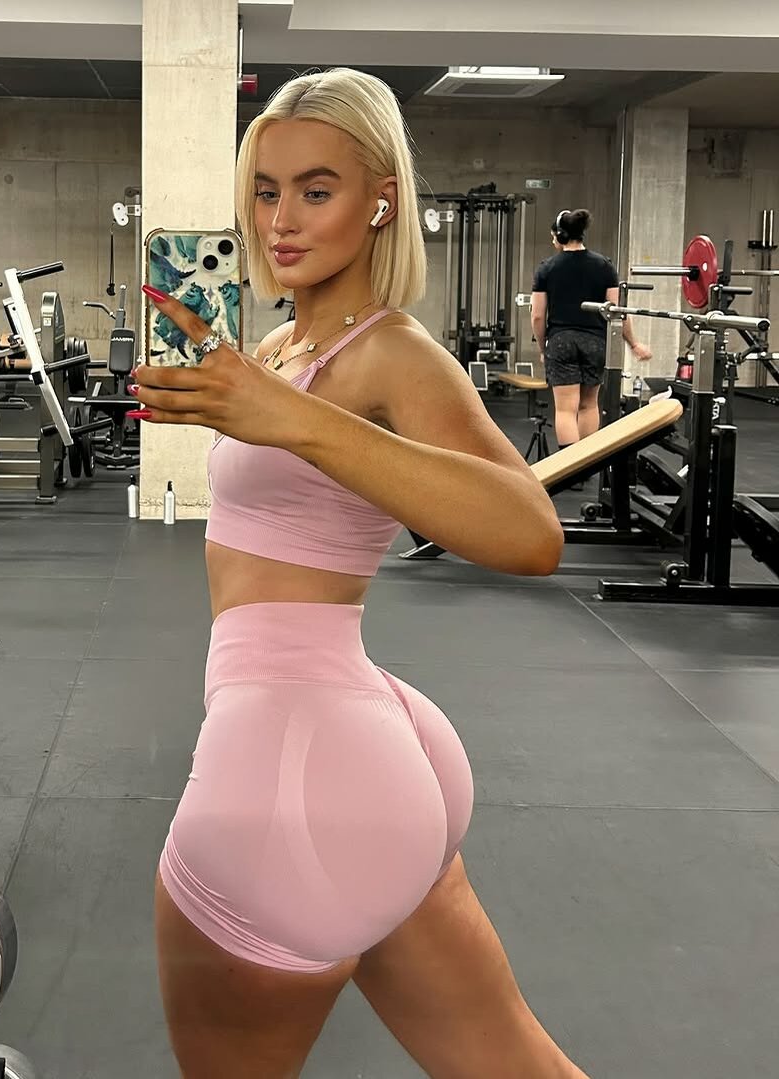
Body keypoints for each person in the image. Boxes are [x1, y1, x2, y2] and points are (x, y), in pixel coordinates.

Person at [130, 68, 589, 1079]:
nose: (281, 220)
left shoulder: (393, 354)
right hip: (358, 752)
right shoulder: (282, 343)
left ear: (382, 200)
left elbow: (531, 532)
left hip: (295, 758)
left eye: (316, 189)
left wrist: (289, 419)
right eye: (266, 190)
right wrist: (234, 403)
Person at [531, 209, 652, 450]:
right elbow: (617, 311)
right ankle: (587, 463)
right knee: (588, 405)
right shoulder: (604, 266)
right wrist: (634, 343)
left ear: (560, 235)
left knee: (566, 410)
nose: (552, 241)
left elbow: (537, 315)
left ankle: (570, 464)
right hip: (595, 342)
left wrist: (543, 347)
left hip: (561, 341)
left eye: (553, 236)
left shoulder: (547, 268)